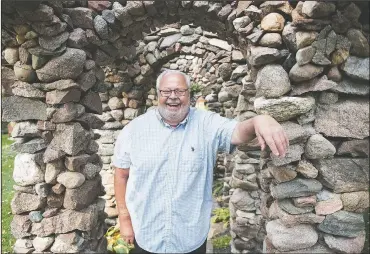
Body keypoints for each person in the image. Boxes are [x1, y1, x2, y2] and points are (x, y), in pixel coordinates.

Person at [113, 70, 289, 254]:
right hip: (147, 236)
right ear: (158, 94)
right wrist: (125, 220)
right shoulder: (134, 130)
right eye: (166, 91)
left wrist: (258, 121)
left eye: (180, 91)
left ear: (189, 93)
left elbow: (236, 132)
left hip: (190, 239)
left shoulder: (207, 124)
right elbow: (121, 174)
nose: (173, 97)